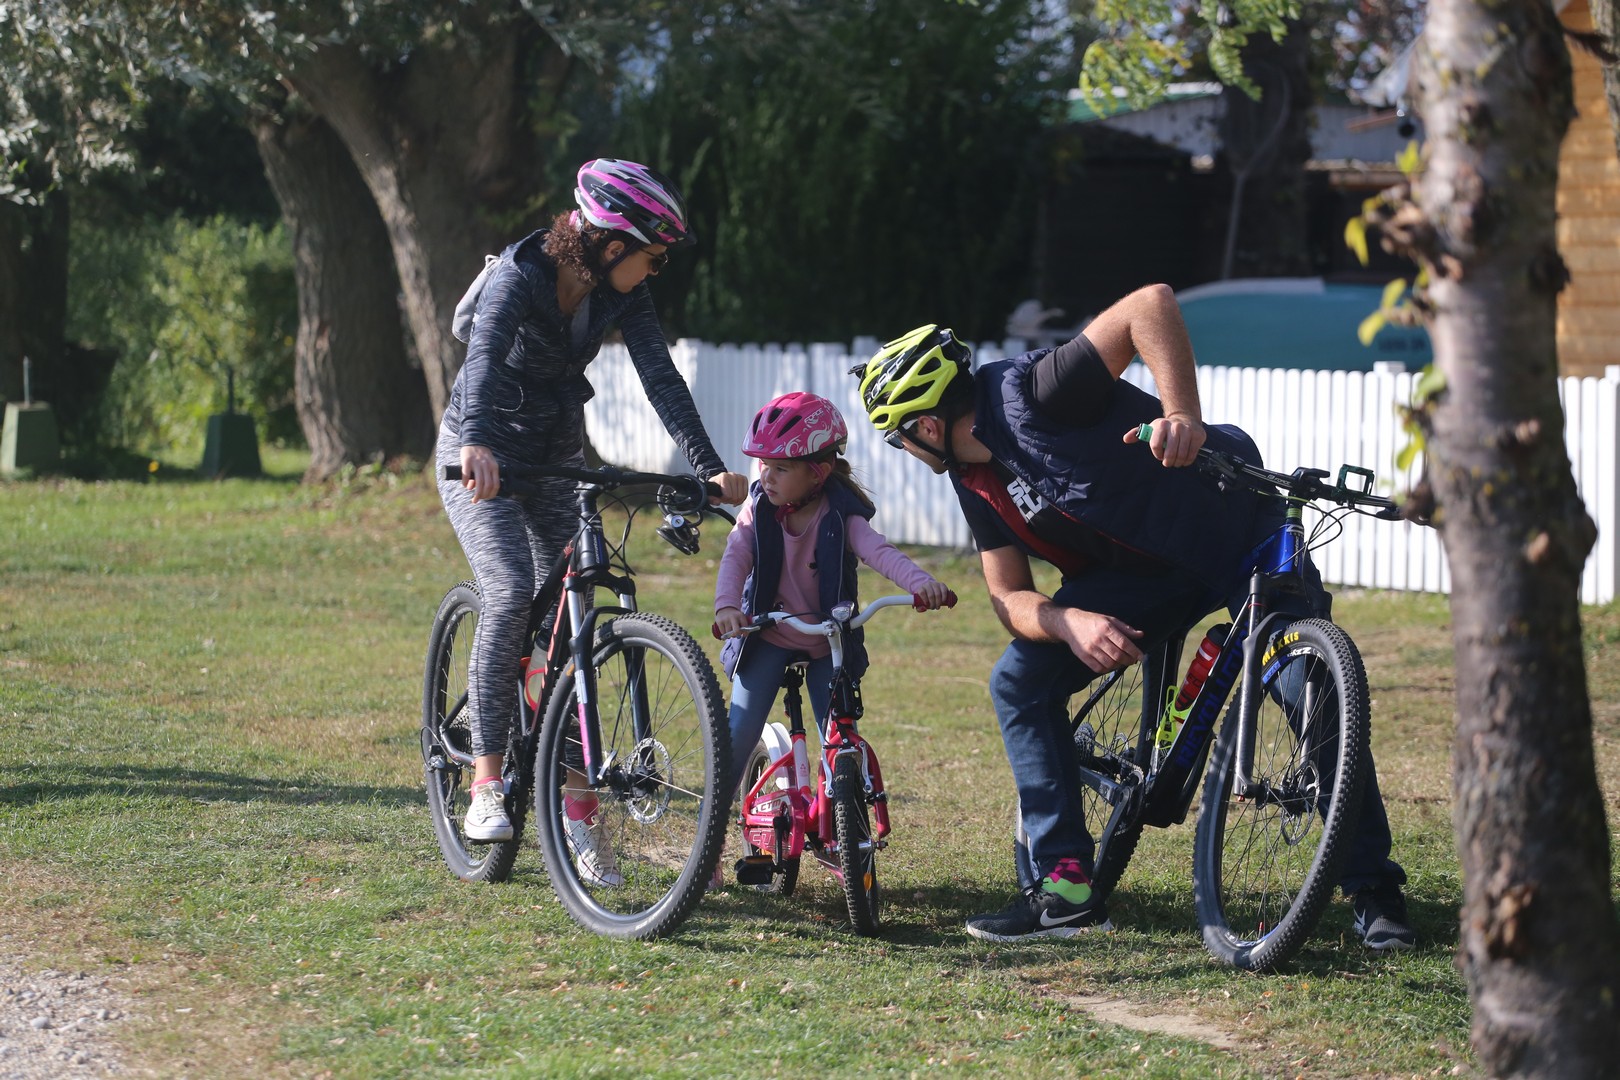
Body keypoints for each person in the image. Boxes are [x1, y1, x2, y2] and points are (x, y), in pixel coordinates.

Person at [849, 284, 1415, 948]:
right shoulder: (974, 482)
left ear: (925, 426)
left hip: (1239, 532)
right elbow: (1007, 594)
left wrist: (1183, 416)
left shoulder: (1039, 390)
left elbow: (1150, 304)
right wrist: (1067, 622)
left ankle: (1374, 891)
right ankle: (1064, 888)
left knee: (1311, 693)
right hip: (1144, 579)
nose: (907, 452)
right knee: (1019, 682)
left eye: (899, 440)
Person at [437, 158, 747, 881]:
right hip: (479, 454)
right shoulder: (521, 274)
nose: (656, 270)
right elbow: (483, 356)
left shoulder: (619, 293)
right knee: (510, 591)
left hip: (554, 455)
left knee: (572, 629)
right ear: (611, 244)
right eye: (653, 256)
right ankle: (485, 782)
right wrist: (475, 441)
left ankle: (577, 806)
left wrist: (707, 466)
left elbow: (660, 377)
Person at [713, 392, 952, 886]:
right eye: (763, 465)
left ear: (817, 473)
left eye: (780, 468)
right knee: (736, 735)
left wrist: (921, 583)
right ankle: (709, 842)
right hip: (768, 635)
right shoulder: (757, 509)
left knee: (840, 741)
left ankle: (846, 837)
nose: (766, 477)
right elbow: (736, 556)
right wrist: (728, 607)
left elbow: (880, 552)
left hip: (828, 640)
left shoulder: (842, 514)